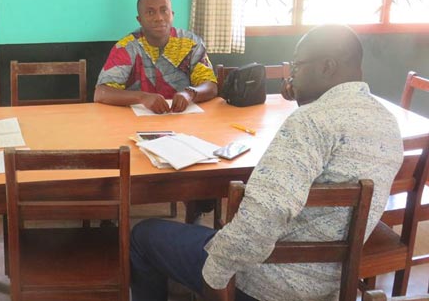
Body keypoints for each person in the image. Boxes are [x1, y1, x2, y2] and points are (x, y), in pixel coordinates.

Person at [130, 24, 404, 301]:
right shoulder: (387, 122)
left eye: (297, 66)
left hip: (266, 284)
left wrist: (215, 276)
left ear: (327, 67)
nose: (292, 75)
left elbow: (265, 215)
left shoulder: (311, 122)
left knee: (143, 235)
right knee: (213, 236)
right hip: (329, 284)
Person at [94, 0, 218, 114]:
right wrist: (142, 97)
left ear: (172, 14)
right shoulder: (126, 47)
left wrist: (189, 94)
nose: (159, 18)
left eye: (164, 11)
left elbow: (210, 85)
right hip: (136, 120)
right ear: (139, 19)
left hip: (182, 118)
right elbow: (101, 93)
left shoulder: (191, 43)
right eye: (150, 12)